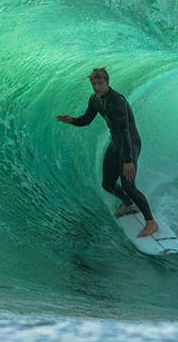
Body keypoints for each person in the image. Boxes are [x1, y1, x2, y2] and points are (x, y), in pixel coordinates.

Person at [56, 67, 160, 238]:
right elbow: (86, 120)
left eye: (100, 83)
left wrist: (128, 161)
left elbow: (125, 133)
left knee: (128, 186)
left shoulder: (117, 102)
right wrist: (72, 120)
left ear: (107, 82)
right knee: (108, 184)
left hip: (129, 143)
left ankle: (151, 222)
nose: (97, 87)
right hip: (116, 143)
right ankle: (128, 204)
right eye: (94, 84)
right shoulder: (95, 99)